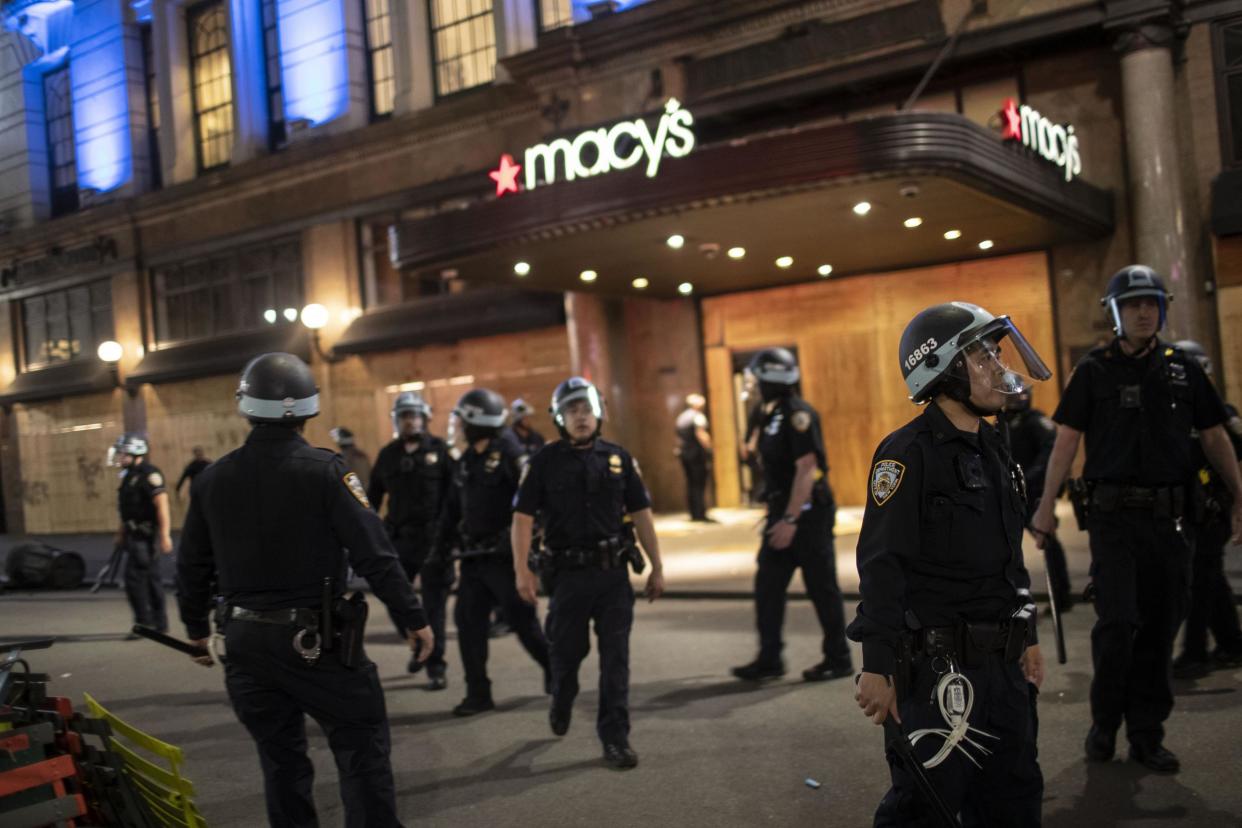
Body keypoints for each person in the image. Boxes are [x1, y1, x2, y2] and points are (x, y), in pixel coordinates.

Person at [177, 352, 432, 828]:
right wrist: (413, 617)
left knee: (281, 761)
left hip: (245, 645)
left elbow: (190, 564)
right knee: (361, 745)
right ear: (308, 407)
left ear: (247, 405)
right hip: (317, 643)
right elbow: (375, 555)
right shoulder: (327, 472)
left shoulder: (211, 480)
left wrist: (194, 629)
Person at [1030, 265, 1242, 773]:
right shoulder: (1094, 371)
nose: (1144, 312)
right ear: (1115, 312)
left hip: (1171, 523)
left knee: (1161, 627)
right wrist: (1044, 507)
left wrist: (1239, 493)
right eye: (1133, 305)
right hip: (1113, 522)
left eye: (1152, 304)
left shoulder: (1183, 369)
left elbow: (1213, 436)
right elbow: (1066, 441)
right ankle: (1105, 724)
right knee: (1118, 623)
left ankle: (1147, 734)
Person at [850, 301, 1050, 826]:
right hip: (941, 674)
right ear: (943, 370)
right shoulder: (907, 453)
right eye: (982, 357)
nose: (997, 367)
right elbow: (881, 564)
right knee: (926, 807)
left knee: (1014, 799)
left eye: (994, 354)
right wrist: (877, 663)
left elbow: (1011, 555)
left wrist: (1026, 635)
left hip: (1004, 670)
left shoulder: (994, 448)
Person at [512, 376, 665, 770]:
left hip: (613, 576)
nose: (580, 417)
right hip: (567, 578)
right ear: (560, 418)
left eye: (586, 409)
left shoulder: (619, 459)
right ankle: (562, 693)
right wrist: (522, 572)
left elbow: (642, 515)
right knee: (566, 652)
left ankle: (615, 737)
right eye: (571, 410)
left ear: (599, 414)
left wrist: (656, 566)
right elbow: (522, 519)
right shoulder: (543, 463)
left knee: (616, 658)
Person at [731, 348, 852, 683]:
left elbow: (807, 469)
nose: (753, 385)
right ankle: (769, 659)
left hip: (806, 516)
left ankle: (838, 657)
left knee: (821, 586)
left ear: (771, 379)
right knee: (767, 585)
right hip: (781, 510)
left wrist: (790, 520)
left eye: (757, 379)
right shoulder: (767, 413)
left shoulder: (799, 414)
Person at [437, 388, 550, 717]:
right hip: (475, 560)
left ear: (477, 421)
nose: (458, 427)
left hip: (505, 560)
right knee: (467, 623)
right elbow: (452, 510)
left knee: (523, 624)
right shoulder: (468, 460)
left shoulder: (510, 455)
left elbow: (535, 504)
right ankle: (478, 693)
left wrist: (523, 552)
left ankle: (555, 668)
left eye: (462, 420)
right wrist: (439, 548)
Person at [368, 391, 453, 688]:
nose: (410, 421)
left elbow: (453, 499)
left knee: (433, 607)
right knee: (394, 596)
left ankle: (435, 666)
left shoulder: (441, 451)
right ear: (397, 420)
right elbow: (371, 499)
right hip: (399, 540)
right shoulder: (388, 455)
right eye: (405, 416)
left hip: (434, 541)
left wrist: (449, 538)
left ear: (425, 418)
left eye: (415, 415)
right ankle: (418, 644)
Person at [1169, 340, 1242, 678]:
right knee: (1210, 580)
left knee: (1200, 579)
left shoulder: (1223, 415)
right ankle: (1231, 644)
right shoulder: (1179, 414)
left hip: (1215, 509)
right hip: (1193, 508)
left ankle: (1195, 652)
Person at [1001, 390, 1072, 613]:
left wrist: (1032, 477)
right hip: (1010, 495)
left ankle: (1061, 597)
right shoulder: (1001, 424)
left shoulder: (1035, 421)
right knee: (1007, 549)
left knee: (1047, 542)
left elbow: (1050, 450)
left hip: (1032, 493)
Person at [111, 433, 172, 632]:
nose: (120, 457)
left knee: (134, 580)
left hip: (145, 537)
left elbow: (161, 505)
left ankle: (144, 622)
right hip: (133, 535)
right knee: (151, 579)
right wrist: (121, 532)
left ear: (136, 452)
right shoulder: (129, 475)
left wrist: (164, 535)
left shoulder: (149, 473)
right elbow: (127, 509)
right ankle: (159, 624)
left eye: (123, 453)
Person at [675, 393, 714, 522]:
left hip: (685, 454)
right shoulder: (698, 416)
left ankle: (694, 512)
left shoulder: (681, 417)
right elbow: (701, 434)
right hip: (697, 455)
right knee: (699, 484)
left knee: (691, 483)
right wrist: (710, 449)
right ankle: (700, 513)